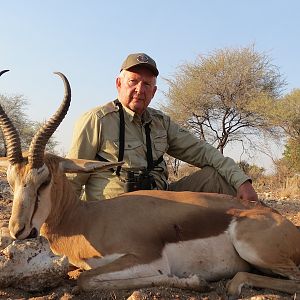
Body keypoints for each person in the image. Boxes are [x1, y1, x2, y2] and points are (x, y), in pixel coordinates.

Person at [67, 52, 258, 203]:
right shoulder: (96, 120)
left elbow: (203, 152)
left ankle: (271, 227)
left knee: (217, 177)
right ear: (119, 84)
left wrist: (242, 181)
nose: (139, 90)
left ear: (154, 91)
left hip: (161, 202)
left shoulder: (161, 122)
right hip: (115, 212)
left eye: (147, 84)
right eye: (133, 81)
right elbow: (71, 180)